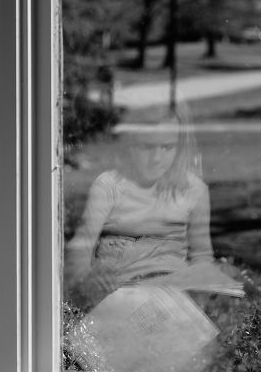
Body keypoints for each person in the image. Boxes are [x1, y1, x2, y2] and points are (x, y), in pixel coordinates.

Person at [65, 102, 238, 312]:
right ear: (130, 144)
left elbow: (201, 257)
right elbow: (80, 247)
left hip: (172, 305)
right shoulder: (109, 186)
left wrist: (203, 287)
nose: (156, 159)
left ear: (180, 147)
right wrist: (88, 281)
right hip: (116, 302)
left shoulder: (194, 190)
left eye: (167, 147)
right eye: (146, 147)